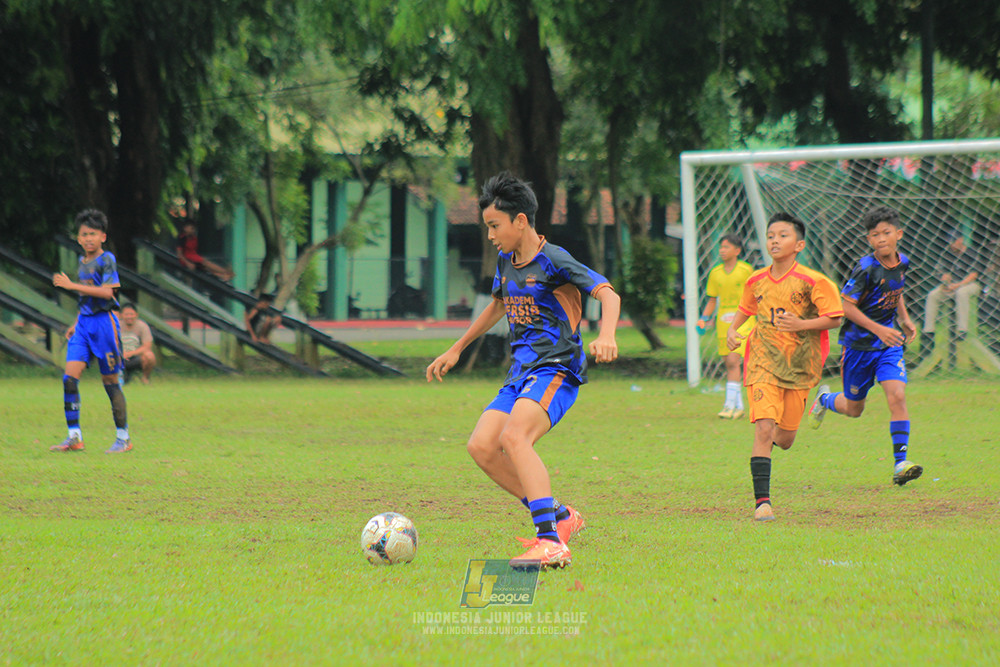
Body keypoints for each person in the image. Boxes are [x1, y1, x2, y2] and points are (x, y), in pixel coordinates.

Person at [426, 172, 621, 568]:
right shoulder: (506, 260)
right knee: (482, 446)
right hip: (521, 372)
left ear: (520, 221)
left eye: (495, 226)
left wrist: (608, 334)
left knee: (515, 437)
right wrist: (458, 348)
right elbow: (498, 304)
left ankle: (549, 541)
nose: (491, 235)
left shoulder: (555, 260)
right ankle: (562, 517)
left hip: (556, 368)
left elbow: (607, 292)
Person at [726, 212, 843, 521]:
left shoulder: (814, 282)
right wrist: (732, 330)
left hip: (801, 367)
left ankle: (820, 402)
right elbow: (745, 308)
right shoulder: (756, 280)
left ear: (799, 244)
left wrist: (801, 324)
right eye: (771, 235)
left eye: (783, 235)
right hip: (762, 361)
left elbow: (835, 317)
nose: (775, 240)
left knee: (786, 439)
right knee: (764, 427)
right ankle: (762, 503)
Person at [807, 207, 922, 486]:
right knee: (854, 409)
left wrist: (904, 319)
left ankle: (900, 464)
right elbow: (847, 306)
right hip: (858, 346)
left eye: (886, 233)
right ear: (869, 240)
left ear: (899, 234)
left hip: (888, 345)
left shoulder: (902, 261)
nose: (881, 239)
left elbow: (896, 290)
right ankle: (824, 399)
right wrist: (880, 329)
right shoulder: (866, 268)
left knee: (897, 396)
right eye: (874, 235)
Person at [51, 209, 132, 454]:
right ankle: (74, 437)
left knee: (110, 382)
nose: (88, 238)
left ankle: (123, 438)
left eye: (93, 234)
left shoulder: (107, 259)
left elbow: (109, 292)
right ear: (78, 238)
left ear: (103, 237)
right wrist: (76, 323)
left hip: (104, 324)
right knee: (69, 379)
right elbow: (86, 296)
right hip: (85, 324)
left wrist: (70, 285)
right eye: (84, 234)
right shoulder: (82, 262)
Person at [696, 234, 755, 419]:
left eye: (727, 247)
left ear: (737, 251)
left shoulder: (746, 270)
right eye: (721, 247)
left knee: (732, 360)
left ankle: (729, 405)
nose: (722, 250)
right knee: (729, 364)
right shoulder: (715, 273)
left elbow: (755, 296)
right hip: (723, 322)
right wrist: (704, 318)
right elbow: (712, 300)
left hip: (743, 321)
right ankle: (738, 406)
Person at [919, 228, 984, 362]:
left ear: (960, 240)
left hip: (971, 286)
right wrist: (945, 282)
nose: (952, 245)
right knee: (933, 295)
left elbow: (974, 275)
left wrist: (958, 284)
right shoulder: (949, 254)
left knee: (962, 292)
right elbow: (945, 273)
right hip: (953, 286)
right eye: (950, 243)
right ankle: (929, 330)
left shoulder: (972, 252)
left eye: (954, 242)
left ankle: (962, 329)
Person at [119, 303, 156, 385]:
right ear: (121, 315)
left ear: (136, 315)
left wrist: (130, 354)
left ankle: (145, 378)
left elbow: (147, 346)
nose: (129, 317)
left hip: (136, 356)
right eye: (126, 314)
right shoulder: (116, 326)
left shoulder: (142, 326)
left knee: (150, 356)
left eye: (131, 314)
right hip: (119, 356)